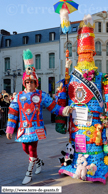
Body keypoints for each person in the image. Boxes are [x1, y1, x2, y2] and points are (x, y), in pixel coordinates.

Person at [6, 49, 74, 185]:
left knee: (32, 149)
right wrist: (9, 129)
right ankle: (38, 161)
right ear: (24, 83)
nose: (30, 84)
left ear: (36, 83)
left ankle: (29, 173)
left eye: (32, 82)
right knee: (25, 148)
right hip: (23, 129)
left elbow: (53, 107)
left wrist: (64, 110)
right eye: (28, 82)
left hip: (36, 128)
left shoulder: (42, 95)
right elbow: (13, 113)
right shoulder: (18, 96)